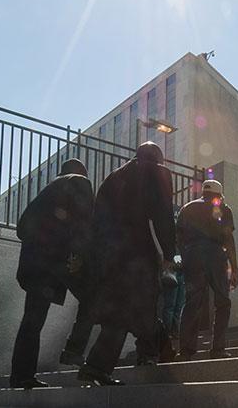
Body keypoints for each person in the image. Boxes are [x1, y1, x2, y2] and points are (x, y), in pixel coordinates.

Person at [79, 142, 178, 386]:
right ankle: (152, 353)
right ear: (158, 159)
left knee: (119, 311)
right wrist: (169, 252)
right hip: (135, 252)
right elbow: (163, 214)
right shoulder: (155, 171)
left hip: (107, 256)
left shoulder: (113, 177)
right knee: (146, 302)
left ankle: (99, 366)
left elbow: (96, 218)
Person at [8, 159, 94, 389]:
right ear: (81, 173)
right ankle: (74, 350)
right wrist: (78, 255)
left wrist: (40, 245)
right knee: (94, 297)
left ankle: (21, 376)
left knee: (32, 322)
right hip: (56, 262)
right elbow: (84, 223)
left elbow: (22, 227)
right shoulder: (80, 182)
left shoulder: (44, 195)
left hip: (34, 266)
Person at [176, 180, 238, 360]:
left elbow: (178, 237)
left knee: (192, 302)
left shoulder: (187, 208)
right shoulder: (223, 208)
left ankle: (186, 350)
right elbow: (228, 239)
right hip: (215, 255)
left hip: (193, 254)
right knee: (223, 302)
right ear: (219, 194)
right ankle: (218, 349)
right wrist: (234, 268)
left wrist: (185, 256)